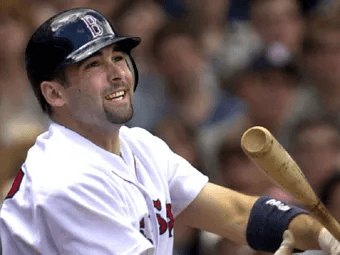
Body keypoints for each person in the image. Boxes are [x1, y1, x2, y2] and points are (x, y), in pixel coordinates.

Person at [0, 7, 339, 255]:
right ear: (54, 93)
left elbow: (235, 214)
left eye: (117, 57)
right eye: (93, 65)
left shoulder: (139, 145)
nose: (116, 73)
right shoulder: (64, 182)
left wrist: (310, 229)